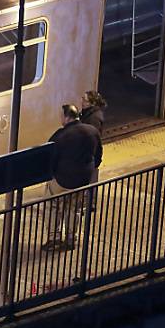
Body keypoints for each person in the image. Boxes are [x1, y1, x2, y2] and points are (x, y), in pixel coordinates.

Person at [42, 104, 102, 252]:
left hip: (62, 180)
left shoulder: (60, 136)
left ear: (67, 117)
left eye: (62, 116)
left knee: (53, 206)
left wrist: (51, 175)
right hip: (83, 179)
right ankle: (71, 239)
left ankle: (54, 239)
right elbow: (98, 156)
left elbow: (50, 159)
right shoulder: (92, 131)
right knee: (74, 209)